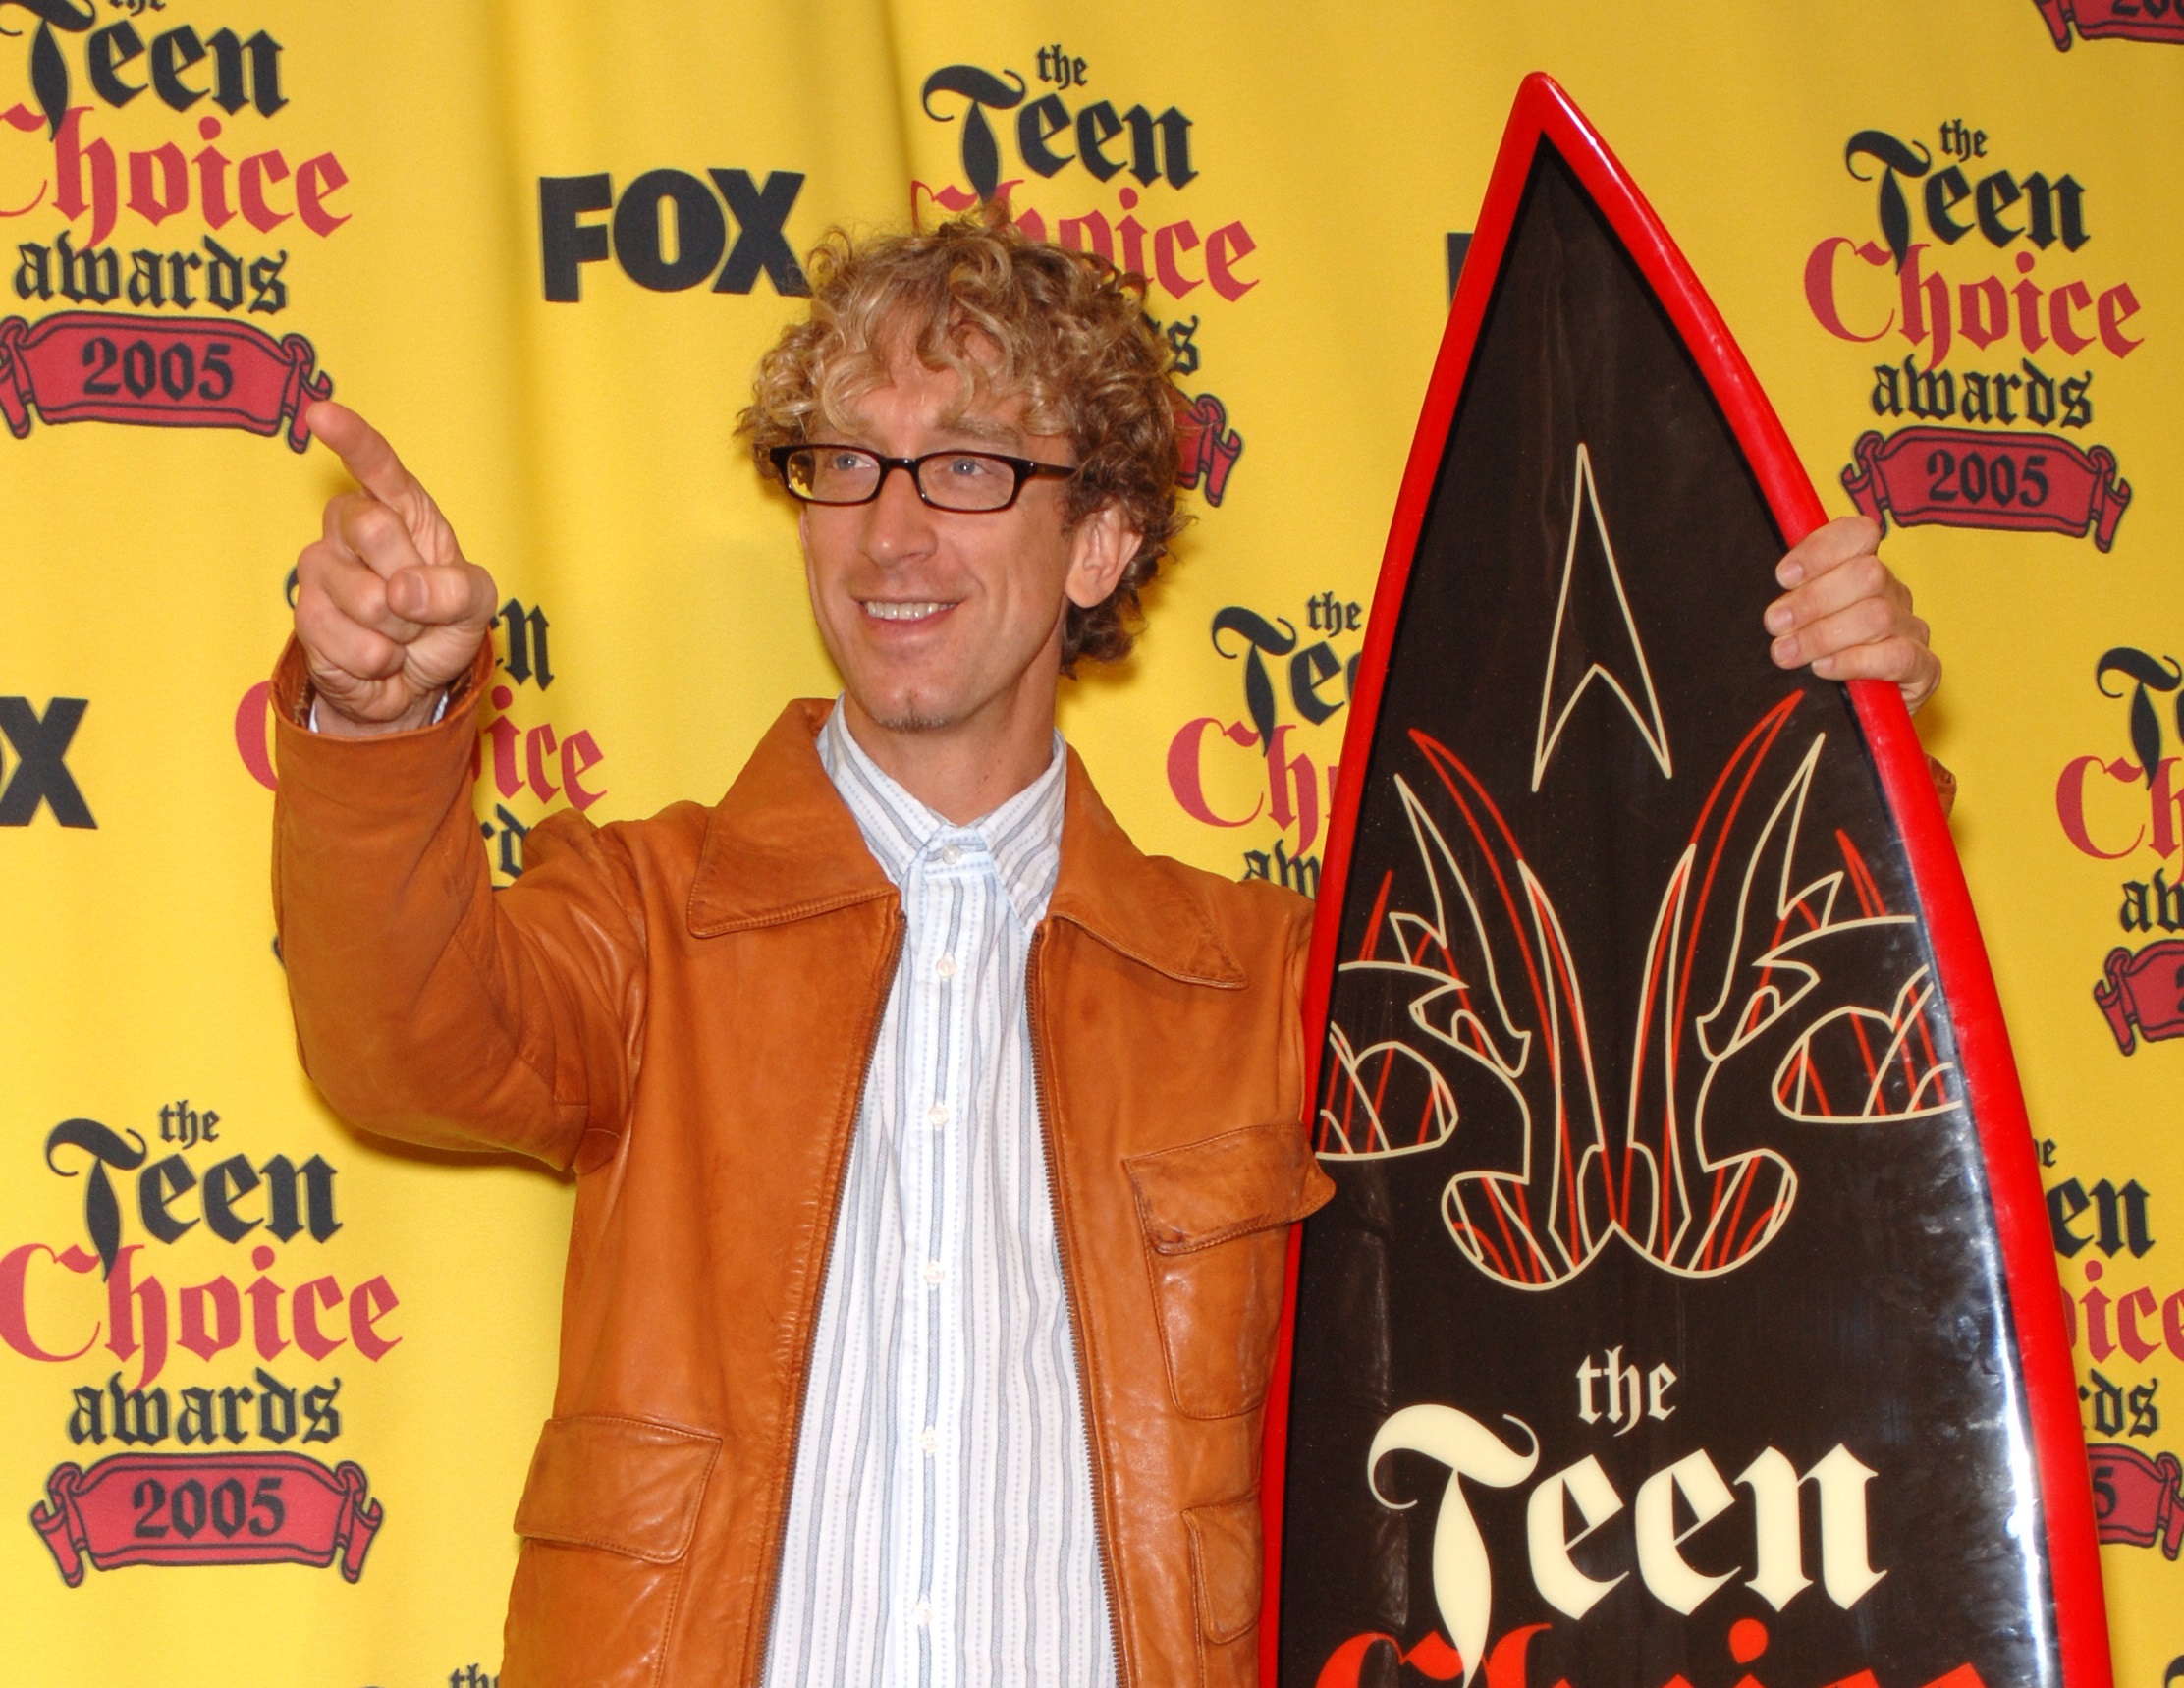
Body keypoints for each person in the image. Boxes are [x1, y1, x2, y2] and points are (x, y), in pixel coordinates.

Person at [271, 213, 1940, 1688]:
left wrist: (1840, 752)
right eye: (844, 461)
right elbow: (399, 1039)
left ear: (1100, 546)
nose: (893, 530)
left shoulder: (1284, 981)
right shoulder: (646, 915)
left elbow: (1680, 1077)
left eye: (973, 465)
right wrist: (377, 711)